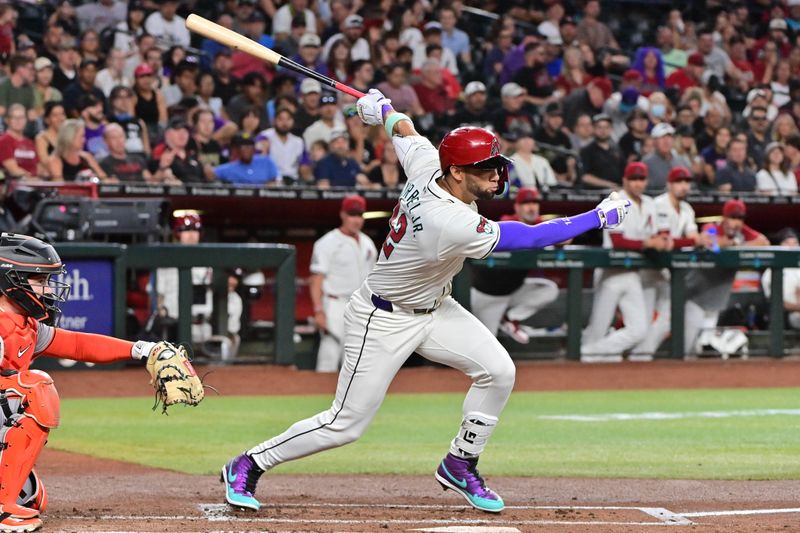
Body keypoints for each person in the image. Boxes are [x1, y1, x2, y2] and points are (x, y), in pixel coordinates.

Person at [220, 88, 630, 514]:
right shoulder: (448, 220)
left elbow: (404, 128)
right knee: (346, 424)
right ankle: (248, 463)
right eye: (485, 167)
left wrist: (381, 108)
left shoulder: (428, 162)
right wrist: (597, 217)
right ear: (455, 172)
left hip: (435, 307)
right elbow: (528, 237)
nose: (496, 174)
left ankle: (460, 461)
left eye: (496, 165)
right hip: (382, 318)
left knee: (499, 371)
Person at [0, 232, 173, 533]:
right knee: (34, 388)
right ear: (10, 280)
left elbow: (78, 345)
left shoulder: (23, 325)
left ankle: (8, 499)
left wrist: (141, 350)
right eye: (39, 280)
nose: (46, 290)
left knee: (32, 498)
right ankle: (2, 511)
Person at [582, 162, 669, 362]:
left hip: (632, 274)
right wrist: (649, 242)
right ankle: (590, 357)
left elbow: (657, 233)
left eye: (641, 179)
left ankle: (588, 354)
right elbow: (618, 240)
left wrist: (661, 240)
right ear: (625, 180)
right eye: (633, 179)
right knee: (598, 328)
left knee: (638, 330)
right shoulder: (615, 200)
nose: (638, 184)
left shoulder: (649, 203)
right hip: (610, 273)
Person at [632, 167, 710, 357]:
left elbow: (692, 236)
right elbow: (665, 240)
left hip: (666, 272)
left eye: (686, 182)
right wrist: (694, 240)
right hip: (648, 268)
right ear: (669, 184)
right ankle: (636, 354)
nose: (683, 186)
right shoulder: (658, 205)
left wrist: (699, 239)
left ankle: (641, 355)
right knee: (643, 319)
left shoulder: (686, 209)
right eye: (679, 182)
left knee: (667, 315)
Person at [470, 188, 559, 344]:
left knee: (549, 289)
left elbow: (563, 237)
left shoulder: (537, 224)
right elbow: (527, 237)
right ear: (517, 207)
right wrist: (548, 237)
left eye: (535, 203)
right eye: (526, 204)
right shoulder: (507, 221)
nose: (532, 207)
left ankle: (511, 317)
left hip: (514, 290)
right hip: (488, 294)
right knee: (488, 345)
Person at [684, 200, 769, 355]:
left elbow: (764, 241)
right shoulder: (712, 226)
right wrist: (734, 243)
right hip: (693, 295)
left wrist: (737, 245)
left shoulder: (742, 232)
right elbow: (711, 242)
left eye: (739, 218)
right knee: (686, 345)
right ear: (724, 217)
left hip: (714, 301)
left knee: (702, 346)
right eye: (732, 217)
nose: (736, 223)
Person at [309, 195, 377, 372]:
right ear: (343, 215)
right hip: (334, 303)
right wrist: (318, 310)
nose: (356, 220)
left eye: (359, 215)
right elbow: (316, 279)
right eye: (352, 214)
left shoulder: (368, 243)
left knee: (355, 360)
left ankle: (350, 399)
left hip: (360, 305)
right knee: (329, 354)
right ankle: (318, 397)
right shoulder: (327, 242)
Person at [762, 228, 800, 331]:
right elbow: (776, 302)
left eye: (795, 243)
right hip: (784, 316)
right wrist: (797, 307)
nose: (791, 247)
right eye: (787, 243)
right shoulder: (771, 271)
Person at [642, 123, 692, 192]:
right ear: (654, 141)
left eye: (669, 137)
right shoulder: (646, 162)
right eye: (662, 137)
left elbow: (689, 183)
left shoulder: (682, 160)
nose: (666, 141)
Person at [214, 134, 279, 186]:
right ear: (237, 149)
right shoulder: (228, 168)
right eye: (243, 146)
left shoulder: (266, 161)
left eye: (250, 146)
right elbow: (211, 174)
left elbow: (276, 182)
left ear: (254, 148)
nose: (247, 149)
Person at [0, 103, 40, 179]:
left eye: (21, 117)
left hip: (34, 184)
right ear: (8, 120)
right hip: (15, 186)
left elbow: (38, 167)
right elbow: (14, 170)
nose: (18, 121)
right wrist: (33, 180)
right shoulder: (3, 141)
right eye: (14, 117)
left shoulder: (29, 142)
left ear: (26, 120)